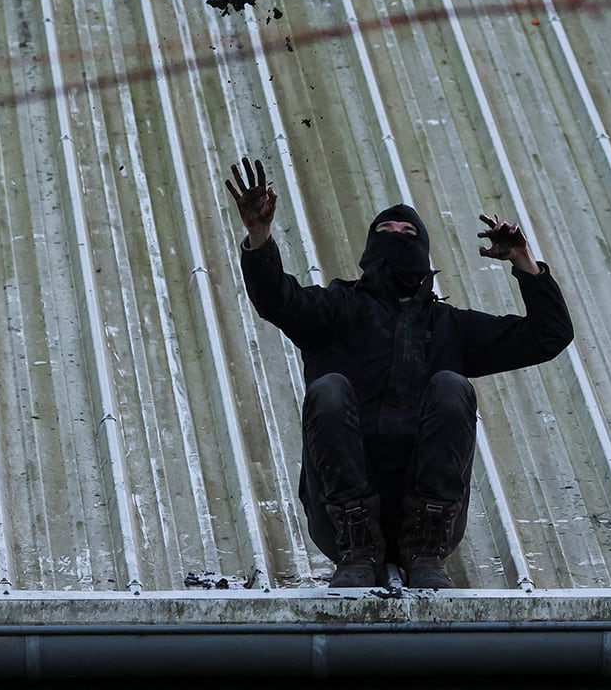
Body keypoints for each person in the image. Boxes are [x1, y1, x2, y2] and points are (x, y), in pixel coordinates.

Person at [226, 157, 573, 590]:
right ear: (369, 249)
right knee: (328, 389)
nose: (397, 237)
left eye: (409, 234)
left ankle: (424, 543)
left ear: (424, 251)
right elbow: (278, 299)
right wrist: (259, 235)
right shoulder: (338, 308)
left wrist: (524, 260)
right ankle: (359, 541)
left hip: (430, 533)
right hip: (340, 530)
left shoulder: (449, 327)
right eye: (386, 232)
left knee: (452, 387)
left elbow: (548, 336)